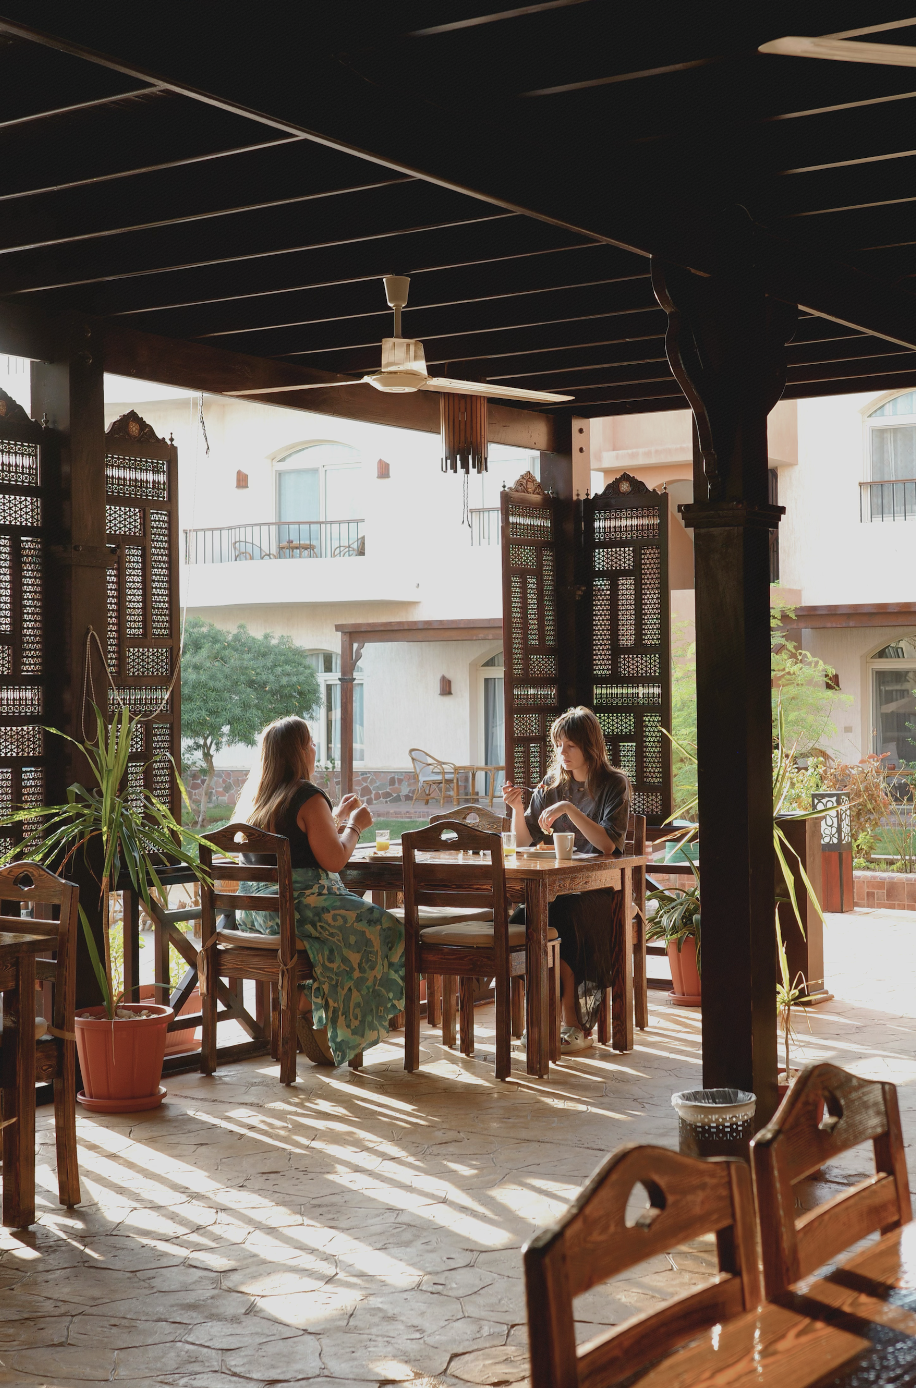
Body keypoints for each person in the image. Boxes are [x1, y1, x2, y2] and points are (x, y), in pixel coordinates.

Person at [232, 716, 404, 1067]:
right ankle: (309, 1002)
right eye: (310, 742)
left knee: (355, 930)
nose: (314, 748)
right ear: (297, 751)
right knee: (389, 929)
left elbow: (300, 843)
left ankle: (319, 1006)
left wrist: (333, 817)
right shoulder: (307, 796)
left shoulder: (257, 799)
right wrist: (355, 824)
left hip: (259, 915)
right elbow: (335, 859)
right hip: (299, 911)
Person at [502, 706, 630, 1053]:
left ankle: (574, 1027)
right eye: (558, 745)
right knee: (526, 920)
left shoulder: (613, 785)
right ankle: (540, 1023)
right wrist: (517, 809)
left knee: (562, 917)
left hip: (600, 889)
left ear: (590, 746)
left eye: (570, 746)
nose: (562, 754)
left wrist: (570, 811)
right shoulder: (550, 785)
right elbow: (524, 843)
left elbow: (607, 845)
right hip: (557, 891)